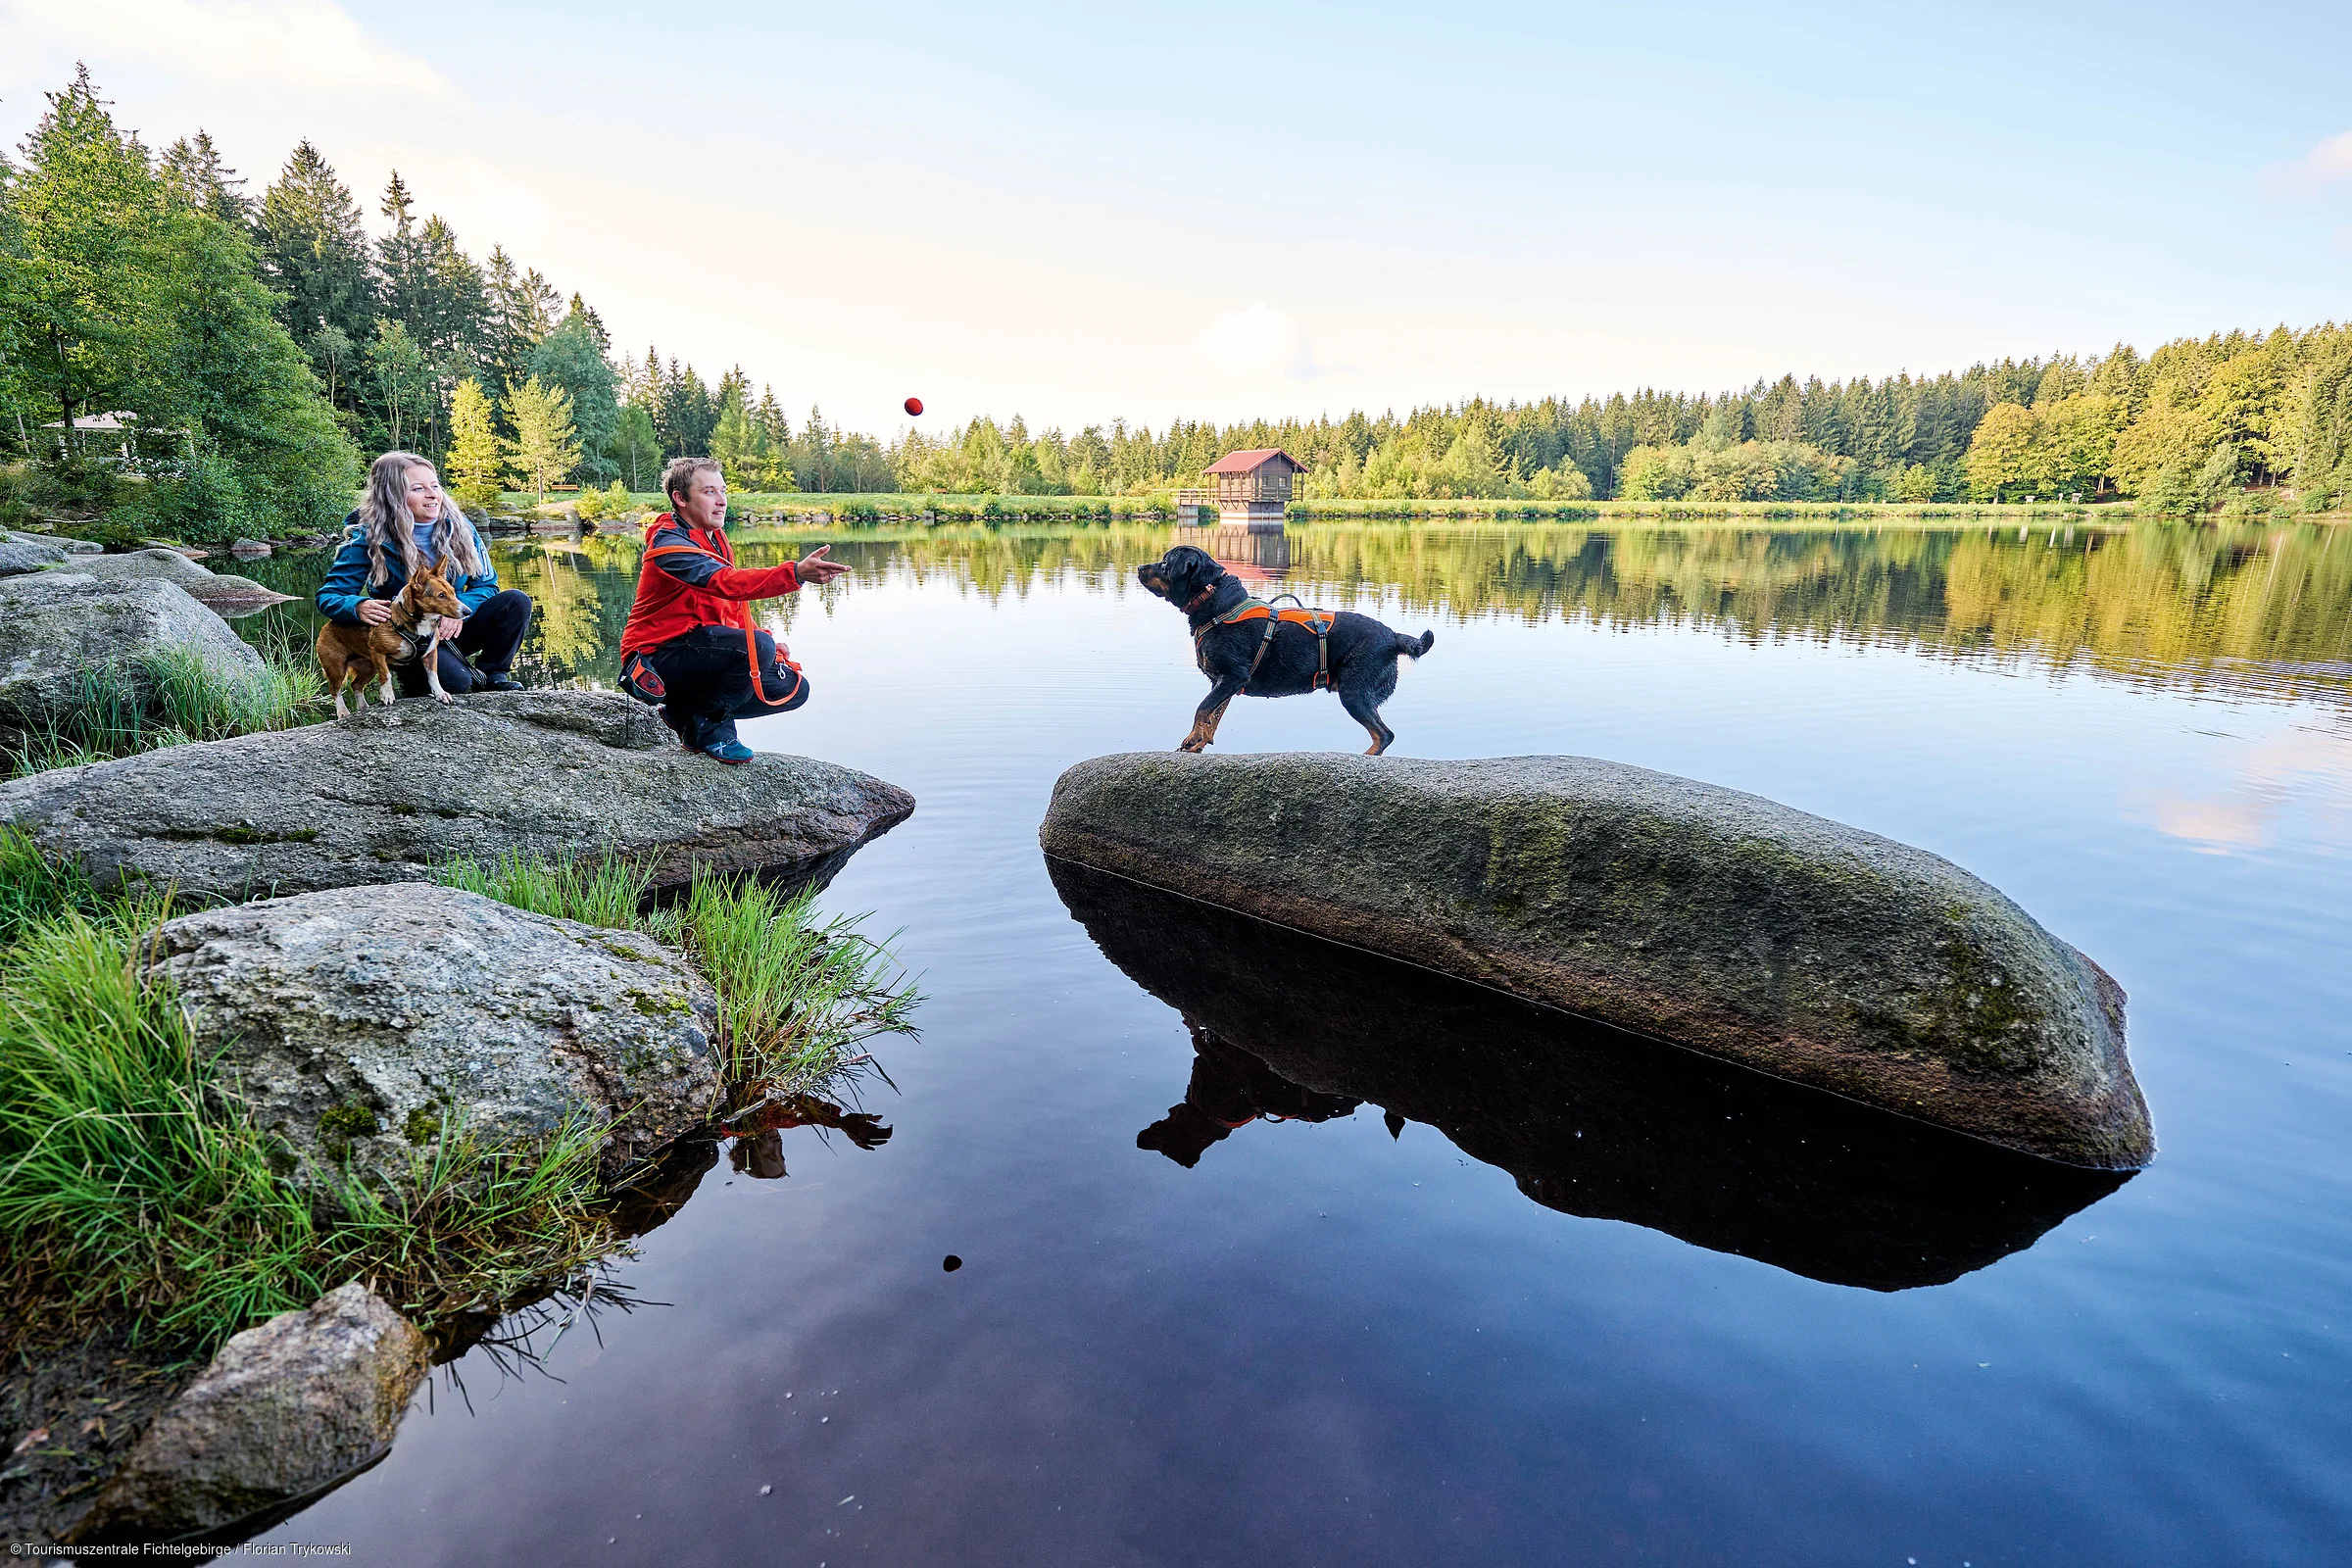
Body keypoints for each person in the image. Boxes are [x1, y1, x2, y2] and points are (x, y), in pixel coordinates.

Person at [616, 456, 848, 763]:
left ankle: (682, 711)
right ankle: (709, 728)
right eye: (709, 492)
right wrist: (795, 573)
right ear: (680, 498)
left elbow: (728, 607)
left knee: (791, 688)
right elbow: (727, 583)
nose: (722, 501)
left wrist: (760, 642)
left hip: (697, 647)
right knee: (759, 649)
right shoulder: (668, 545)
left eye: (723, 491)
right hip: (657, 656)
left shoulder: (716, 540)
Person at [317, 451, 531, 696]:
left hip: (453, 627)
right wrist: (357, 606)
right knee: (457, 685)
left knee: (516, 602)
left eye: (435, 486)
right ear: (392, 496)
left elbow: (487, 585)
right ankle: (415, 678)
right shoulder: (368, 537)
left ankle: (494, 674)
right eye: (418, 488)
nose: (432, 494)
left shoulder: (461, 527)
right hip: (407, 637)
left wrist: (455, 611)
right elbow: (329, 596)